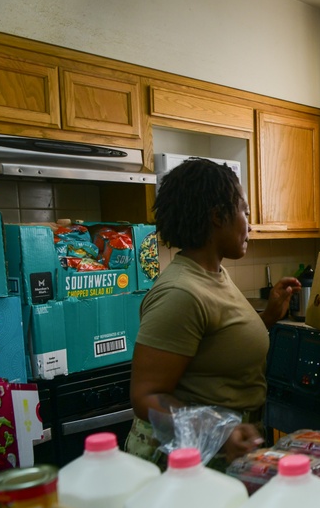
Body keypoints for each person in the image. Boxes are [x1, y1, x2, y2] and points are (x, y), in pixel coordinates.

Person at [126, 157, 301, 469]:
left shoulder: (213, 274)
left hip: (222, 449)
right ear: (219, 216)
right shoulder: (180, 292)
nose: (250, 223)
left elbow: (216, 346)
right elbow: (146, 396)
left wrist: (268, 318)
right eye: (244, 211)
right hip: (185, 460)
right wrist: (219, 430)